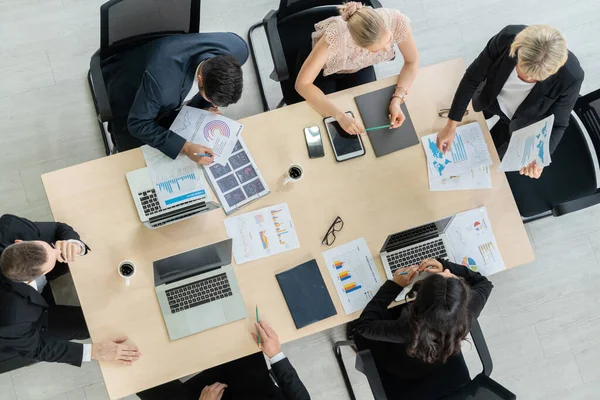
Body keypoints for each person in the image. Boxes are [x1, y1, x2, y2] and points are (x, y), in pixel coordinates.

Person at [436, 24, 584, 179]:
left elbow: (558, 124)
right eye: (523, 70)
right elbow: (473, 77)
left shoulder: (571, 77)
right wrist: (451, 124)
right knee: (463, 124)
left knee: (488, 162)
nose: (526, 79)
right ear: (516, 49)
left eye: (535, 79)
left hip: (523, 122)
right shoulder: (508, 37)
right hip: (491, 96)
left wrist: (539, 159)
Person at [0, 214, 141, 368]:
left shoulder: (8, 227)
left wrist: (74, 245)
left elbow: (57, 228)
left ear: (19, 242)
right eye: (53, 259)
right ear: (30, 280)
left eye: (49, 247)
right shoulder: (13, 320)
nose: (56, 251)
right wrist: (94, 351)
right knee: (93, 325)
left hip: (22, 296)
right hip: (31, 323)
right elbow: (37, 348)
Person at [352, 258, 492, 396]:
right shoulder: (469, 312)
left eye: (448, 274)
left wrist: (394, 285)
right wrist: (443, 265)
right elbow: (485, 283)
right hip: (438, 359)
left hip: (400, 368)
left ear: (418, 298)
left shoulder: (406, 328)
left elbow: (362, 326)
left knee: (359, 330)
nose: (449, 271)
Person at [102, 32, 249, 164]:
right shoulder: (162, 84)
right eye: (211, 100)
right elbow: (137, 124)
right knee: (136, 161)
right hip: (127, 90)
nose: (213, 104)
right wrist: (185, 147)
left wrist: (207, 107)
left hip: (163, 60)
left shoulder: (237, 48)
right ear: (200, 80)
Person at [295, 2, 419, 134]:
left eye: (389, 40)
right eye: (377, 50)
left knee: (367, 113)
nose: (388, 49)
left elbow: (412, 61)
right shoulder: (336, 36)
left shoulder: (396, 21)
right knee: (324, 122)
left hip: (357, 66)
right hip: (321, 70)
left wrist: (397, 99)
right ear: (357, 44)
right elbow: (303, 84)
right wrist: (339, 116)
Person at [137, 320, 310, 400]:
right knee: (244, 331)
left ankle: (131, 361)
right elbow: (298, 395)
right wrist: (275, 355)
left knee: (148, 384)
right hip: (257, 391)